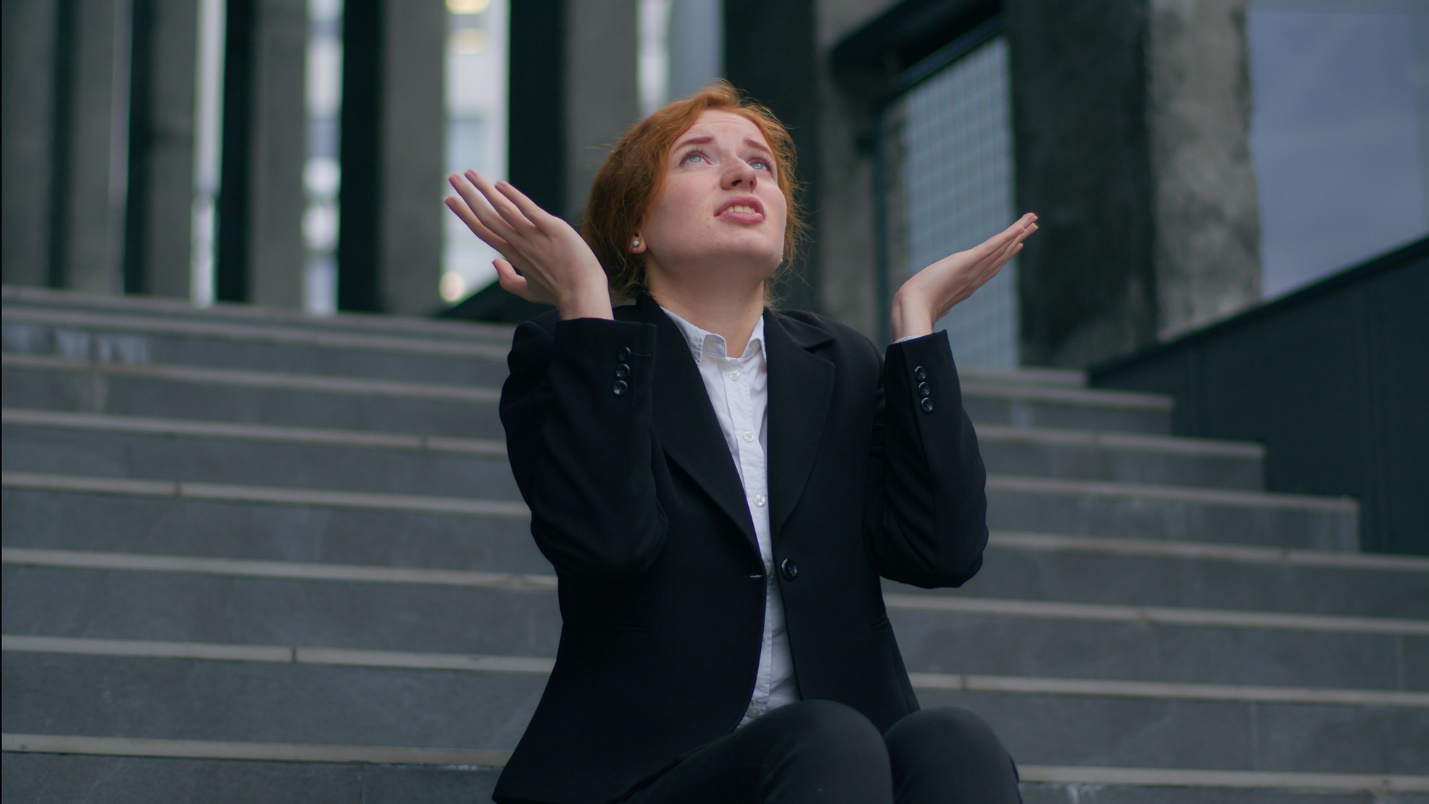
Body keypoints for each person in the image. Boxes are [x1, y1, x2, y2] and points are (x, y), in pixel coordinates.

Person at [445, 81, 1036, 804]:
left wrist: (916, 328)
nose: (741, 174)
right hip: (649, 776)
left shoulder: (841, 365)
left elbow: (941, 551)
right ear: (634, 227)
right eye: (697, 159)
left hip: (845, 767)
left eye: (760, 164)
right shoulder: (566, 355)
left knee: (953, 741)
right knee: (827, 737)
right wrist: (585, 307)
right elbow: (606, 542)